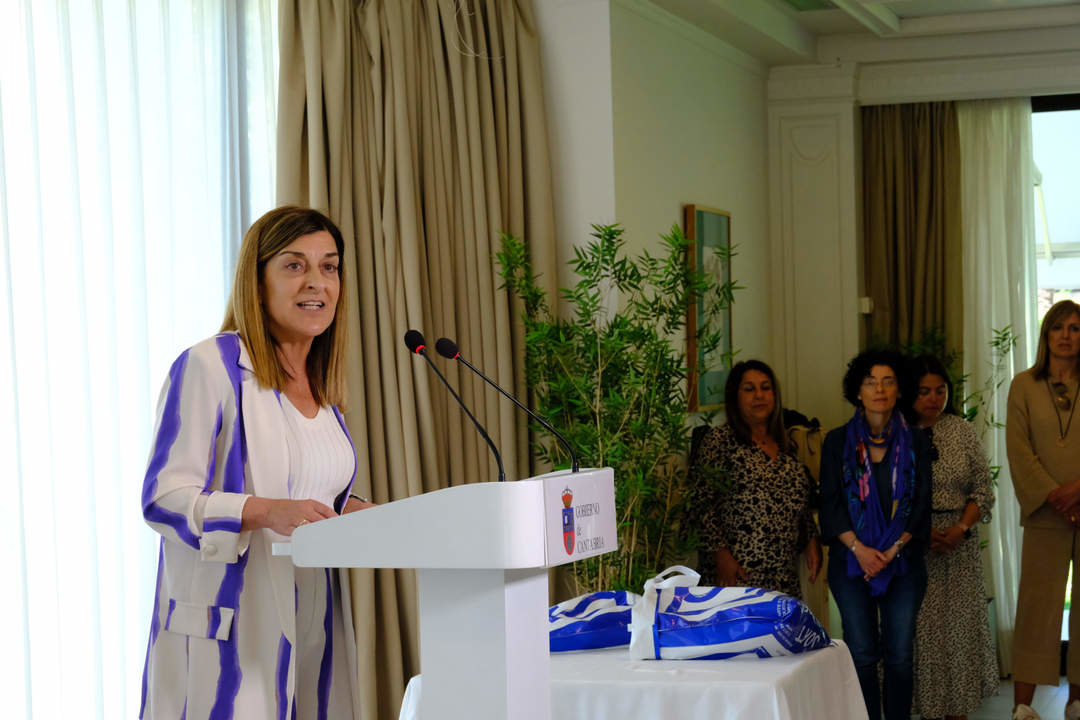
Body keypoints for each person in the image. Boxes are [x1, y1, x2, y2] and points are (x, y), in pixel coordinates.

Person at [139, 206, 375, 719]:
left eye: (329, 266)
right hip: (230, 631)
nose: (317, 282)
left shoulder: (323, 392)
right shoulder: (211, 365)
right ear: (258, 280)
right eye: (295, 265)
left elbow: (307, 489)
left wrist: (354, 511)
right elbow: (163, 498)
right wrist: (265, 510)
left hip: (312, 620)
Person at [819, 349, 932, 720]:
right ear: (858, 391)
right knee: (863, 653)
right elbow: (831, 506)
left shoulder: (917, 441)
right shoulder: (837, 442)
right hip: (852, 564)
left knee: (900, 654)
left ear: (899, 390)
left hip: (903, 563)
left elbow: (920, 506)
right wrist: (861, 550)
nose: (879, 389)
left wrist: (892, 549)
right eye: (870, 381)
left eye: (888, 381)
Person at [907, 355, 998, 720]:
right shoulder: (896, 432)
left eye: (940, 391)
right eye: (925, 391)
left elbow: (983, 489)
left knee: (959, 641)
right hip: (914, 546)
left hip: (960, 545)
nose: (934, 398)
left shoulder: (961, 430)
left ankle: (958, 713)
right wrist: (919, 533)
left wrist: (960, 529)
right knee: (924, 639)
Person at [692, 359, 821, 598]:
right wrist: (721, 556)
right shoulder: (719, 441)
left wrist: (811, 539)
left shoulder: (785, 444)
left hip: (783, 577)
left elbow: (798, 501)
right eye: (749, 389)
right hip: (738, 576)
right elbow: (702, 505)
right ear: (735, 397)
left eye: (765, 387)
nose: (759, 395)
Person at [1007, 299, 1080, 720]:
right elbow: (1019, 450)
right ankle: (1022, 707)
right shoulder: (1024, 385)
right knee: (1037, 607)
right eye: (1058, 327)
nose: (1066, 335)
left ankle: (1076, 702)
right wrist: (1057, 496)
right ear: (1046, 334)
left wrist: (1077, 492)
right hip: (1044, 515)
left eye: (1074, 328)